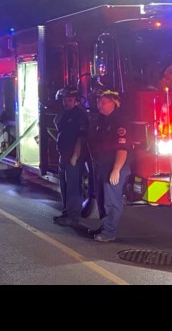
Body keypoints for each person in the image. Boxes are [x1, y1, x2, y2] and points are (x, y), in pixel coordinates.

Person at [87, 90, 131, 242]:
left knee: (111, 200)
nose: (99, 105)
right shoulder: (100, 120)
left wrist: (116, 170)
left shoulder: (119, 122)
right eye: (99, 102)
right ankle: (105, 226)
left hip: (113, 166)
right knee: (101, 198)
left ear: (113, 103)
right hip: (101, 165)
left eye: (103, 102)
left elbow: (122, 149)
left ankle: (109, 232)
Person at [53, 87, 89, 227]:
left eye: (70, 99)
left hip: (73, 156)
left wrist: (75, 155)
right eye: (65, 99)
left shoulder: (79, 115)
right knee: (65, 186)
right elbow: (59, 128)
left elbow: (81, 137)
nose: (67, 102)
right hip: (64, 154)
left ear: (76, 100)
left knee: (73, 186)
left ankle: (73, 216)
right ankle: (66, 212)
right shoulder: (65, 114)